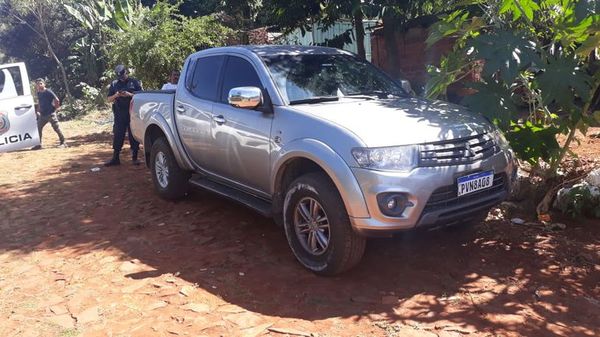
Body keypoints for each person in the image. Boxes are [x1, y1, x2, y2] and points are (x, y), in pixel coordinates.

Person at [105, 65, 142, 166]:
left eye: (123, 75)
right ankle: (115, 158)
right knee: (118, 135)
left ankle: (135, 158)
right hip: (119, 113)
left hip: (132, 113)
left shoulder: (134, 82)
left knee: (133, 135)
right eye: (119, 77)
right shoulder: (114, 84)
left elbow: (141, 96)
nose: (121, 78)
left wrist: (129, 95)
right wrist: (116, 95)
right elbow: (108, 99)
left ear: (126, 72)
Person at [31, 78, 66, 150]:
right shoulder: (39, 93)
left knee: (56, 128)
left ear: (44, 84)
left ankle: (63, 142)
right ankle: (39, 145)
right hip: (43, 115)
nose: (39, 85)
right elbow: (39, 102)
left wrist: (55, 108)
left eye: (41, 83)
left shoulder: (48, 91)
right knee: (38, 128)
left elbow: (57, 100)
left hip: (50, 114)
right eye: (38, 84)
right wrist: (38, 111)